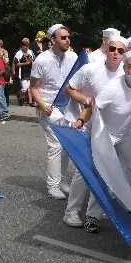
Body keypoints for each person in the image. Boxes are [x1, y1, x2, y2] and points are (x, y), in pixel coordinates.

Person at [68, 35, 128, 232]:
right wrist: (84, 100)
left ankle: (95, 213)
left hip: (114, 132)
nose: (115, 53)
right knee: (84, 171)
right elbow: (69, 88)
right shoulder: (91, 69)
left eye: (120, 51)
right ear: (106, 49)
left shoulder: (125, 73)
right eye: (112, 49)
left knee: (108, 172)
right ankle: (72, 211)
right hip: (90, 126)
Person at [30, 24, 78, 199]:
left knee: (66, 146)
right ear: (53, 40)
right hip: (48, 108)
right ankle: (52, 186)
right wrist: (43, 106)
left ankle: (62, 181)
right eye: (63, 37)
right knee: (56, 145)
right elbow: (33, 88)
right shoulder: (41, 60)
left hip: (67, 108)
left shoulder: (72, 57)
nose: (67, 40)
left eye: (68, 37)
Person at [13, 38, 35, 106]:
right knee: (24, 88)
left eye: (27, 46)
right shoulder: (18, 53)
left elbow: (34, 60)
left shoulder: (30, 52)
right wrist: (26, 63)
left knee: (30, 88)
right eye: (25, 46)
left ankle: (30, 102)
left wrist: (31, 60)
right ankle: (20, 96)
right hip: (22, 73)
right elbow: (16, 64)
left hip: (30, 72)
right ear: (22, 46)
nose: (26, 47)